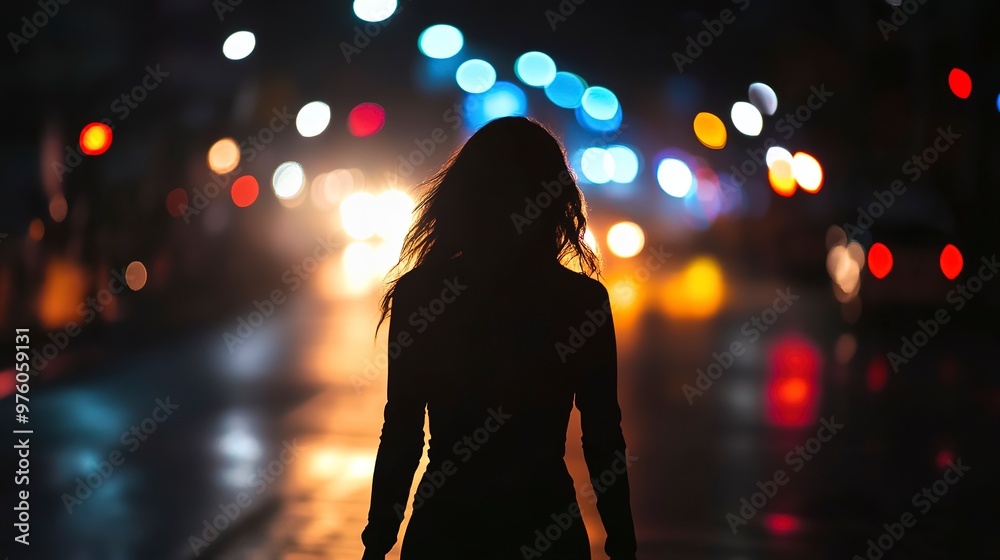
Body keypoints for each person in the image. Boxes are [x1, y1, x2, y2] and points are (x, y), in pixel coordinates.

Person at [361, 117, 637, 560]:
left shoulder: (421, 295)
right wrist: (623, 542)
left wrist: (378, 541)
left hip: (445, 529)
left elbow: (402, 432)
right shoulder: (581, 301)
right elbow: (603, 437)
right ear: (554, 201)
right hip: (545, 525)